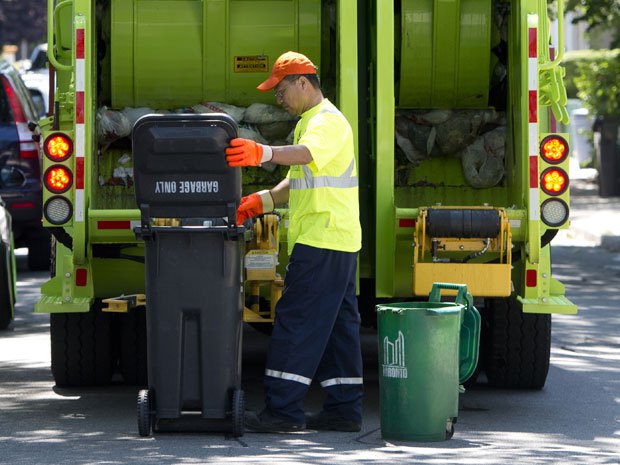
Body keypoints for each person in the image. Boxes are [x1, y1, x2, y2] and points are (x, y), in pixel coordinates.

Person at [225, 51, 363, 433]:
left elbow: (306, 155)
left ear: (303, 83)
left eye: (281, 89)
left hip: (322, 239)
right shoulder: (312, 122)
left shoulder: (325, 122)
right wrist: (263, 200)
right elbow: (301, 178)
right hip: (336, 240)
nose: (278, 98)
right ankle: (344, 409)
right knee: (338, 326)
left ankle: (282, 412)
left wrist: (262, 153)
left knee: (296, 320)